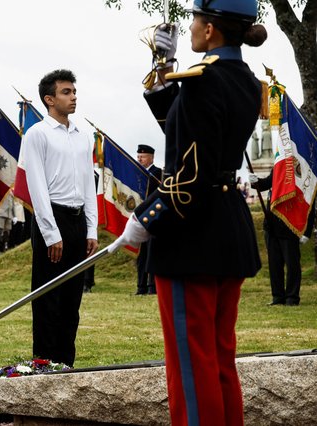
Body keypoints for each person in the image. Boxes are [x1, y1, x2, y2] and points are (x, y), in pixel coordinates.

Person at [109, 1, 267, 424]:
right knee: (217, 360)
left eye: (195, 20)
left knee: (192, 369)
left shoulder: (201, 82)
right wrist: (164, 70)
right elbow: (192, 131)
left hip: (191, 236)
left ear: (211, 28)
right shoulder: (245, 81)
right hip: (226, 227)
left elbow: (188, 175)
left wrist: (145, 218)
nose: (191, 27)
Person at [19, 69, 98, 367]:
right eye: (66, 92)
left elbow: (89, 184)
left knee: (71, 300)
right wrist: (52, 233)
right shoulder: (37, 134)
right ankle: (44, 363)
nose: (74, 96)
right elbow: (36, 186)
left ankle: (66, 363)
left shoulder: (83, 136)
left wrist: (91, 228)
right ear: (49, 99)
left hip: (78, 221)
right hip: (52, 218)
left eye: (74, 91)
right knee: (47, 297)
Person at [250, 170, 313, 306]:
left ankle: (292, 297)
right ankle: (277, 297)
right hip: (272, 225)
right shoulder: (279, 166)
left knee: (292, 265)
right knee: (275, 264)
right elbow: (266, 184)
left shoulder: (300, 169)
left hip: (290, 226)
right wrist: (256, 182)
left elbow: (309, 202)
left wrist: (306, 232)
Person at [135, 144, 162, 295]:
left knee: (152, 252)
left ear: (151, 157)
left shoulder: (158, 173)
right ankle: (141, 286)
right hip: (139, 217)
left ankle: (152, 286)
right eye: (138, 157)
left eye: (143, 157)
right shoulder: (136, 172)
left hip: (153, 217)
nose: (140, 159)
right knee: (141, 254)